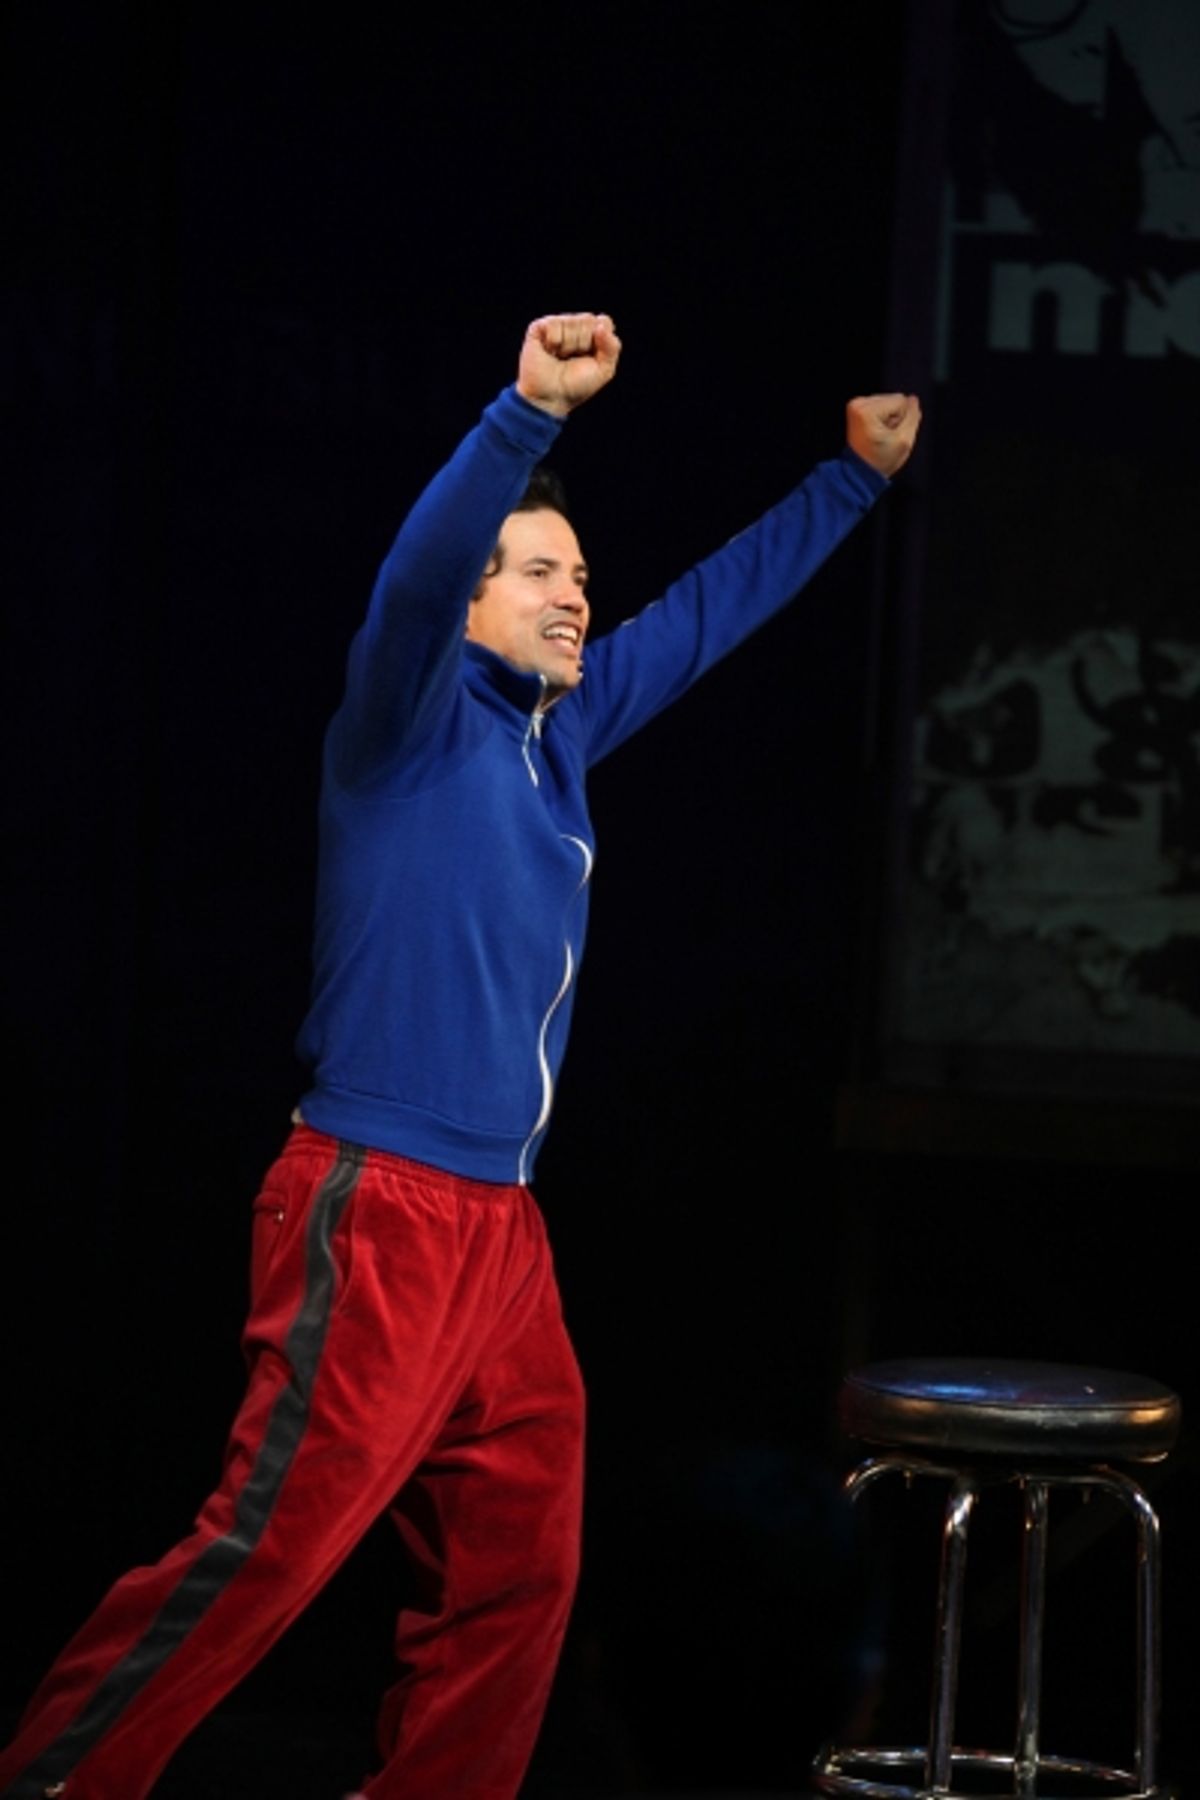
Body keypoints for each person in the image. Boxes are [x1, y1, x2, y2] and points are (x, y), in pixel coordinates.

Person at [0, 313, 920, 1800]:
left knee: (520, 1565)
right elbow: (417, 578)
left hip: (500, 1237)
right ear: (480, 601)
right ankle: (52, 1776)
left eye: (576, 573)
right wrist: (525, 417)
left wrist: (853, 482)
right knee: (269, 1550)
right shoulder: (406, 723)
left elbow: (703, 614)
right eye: (542, 572)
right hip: (379, 1206)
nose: (577, 596)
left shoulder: (559, 740)